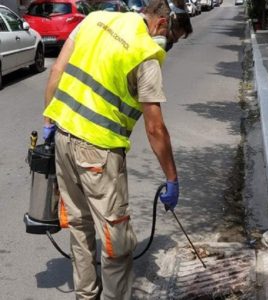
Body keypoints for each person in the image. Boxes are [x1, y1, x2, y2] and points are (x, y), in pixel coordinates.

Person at [42, 0, 192, 299]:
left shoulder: (95, 19)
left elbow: (57, 71)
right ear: (163, 24)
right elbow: (155, 128)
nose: (169, 45)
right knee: (116, 241)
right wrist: (172, 178)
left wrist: (49, 121)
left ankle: (86, 295)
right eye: (174, 39)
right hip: (98, 152)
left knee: (79, 226)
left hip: (62, 138)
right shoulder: (145, 53)